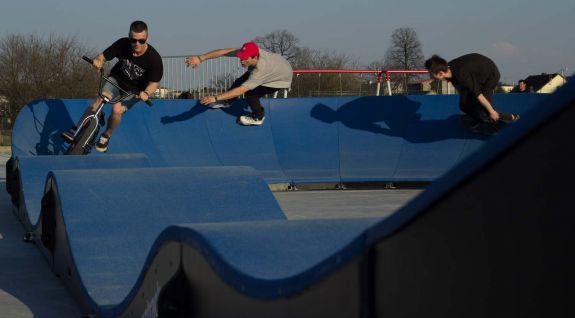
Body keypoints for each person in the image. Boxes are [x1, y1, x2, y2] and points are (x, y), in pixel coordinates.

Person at [62, 20, 163, 152]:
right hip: (116, 79)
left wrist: (147, 93)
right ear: (129, 37)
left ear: (147, 38)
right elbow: (103, 56)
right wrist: (98, 61)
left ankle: (106, 135)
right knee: (100, 100)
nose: (137, 44)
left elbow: (154, 83)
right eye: (133, 40)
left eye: (141, 41)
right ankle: (78, 128)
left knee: (116, 110)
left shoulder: (154, 58)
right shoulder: (122, 44)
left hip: (135, 91)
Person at [185, 42, 293, 126]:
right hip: (278, 65)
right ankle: (227, 101)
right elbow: (224, 52)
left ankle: (258, 117)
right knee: (239, 81)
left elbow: (241, 90)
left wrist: (216, 98)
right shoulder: (252, 52)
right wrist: (200, 58)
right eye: (241, 57)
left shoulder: (260, 71)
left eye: (244, 59)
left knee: (251, 94)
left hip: (281, 79)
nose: (241, 60)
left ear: (254, 58)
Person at [425, 53, 519, 132]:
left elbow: (479, 95)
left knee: (483, 106)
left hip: (490, 75)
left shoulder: (461, 74)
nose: (430, 77)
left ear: (441, 73)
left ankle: (509, 118)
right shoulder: (449, 69)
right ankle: (483, 120)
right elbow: (462, 89)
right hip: (476, 74)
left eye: (431, 75)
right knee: (464, 105)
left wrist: (491, 111)